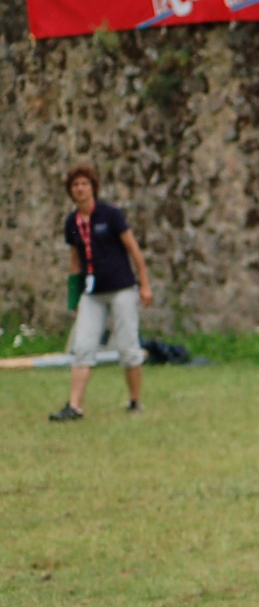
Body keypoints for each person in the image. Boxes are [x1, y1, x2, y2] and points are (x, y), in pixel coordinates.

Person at [51, 164, 154, 422]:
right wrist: (74, 298)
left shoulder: (110, 215)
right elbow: (75, 261)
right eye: (75, 185)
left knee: (128, 346)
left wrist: (144, 284)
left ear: (93, 187)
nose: (80, 189)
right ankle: (74, 406)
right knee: (83, 346)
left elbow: (133, 250)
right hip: (92, 293)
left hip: (121, 288)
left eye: (84, 184)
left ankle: (135, 400)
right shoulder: (72, 223)